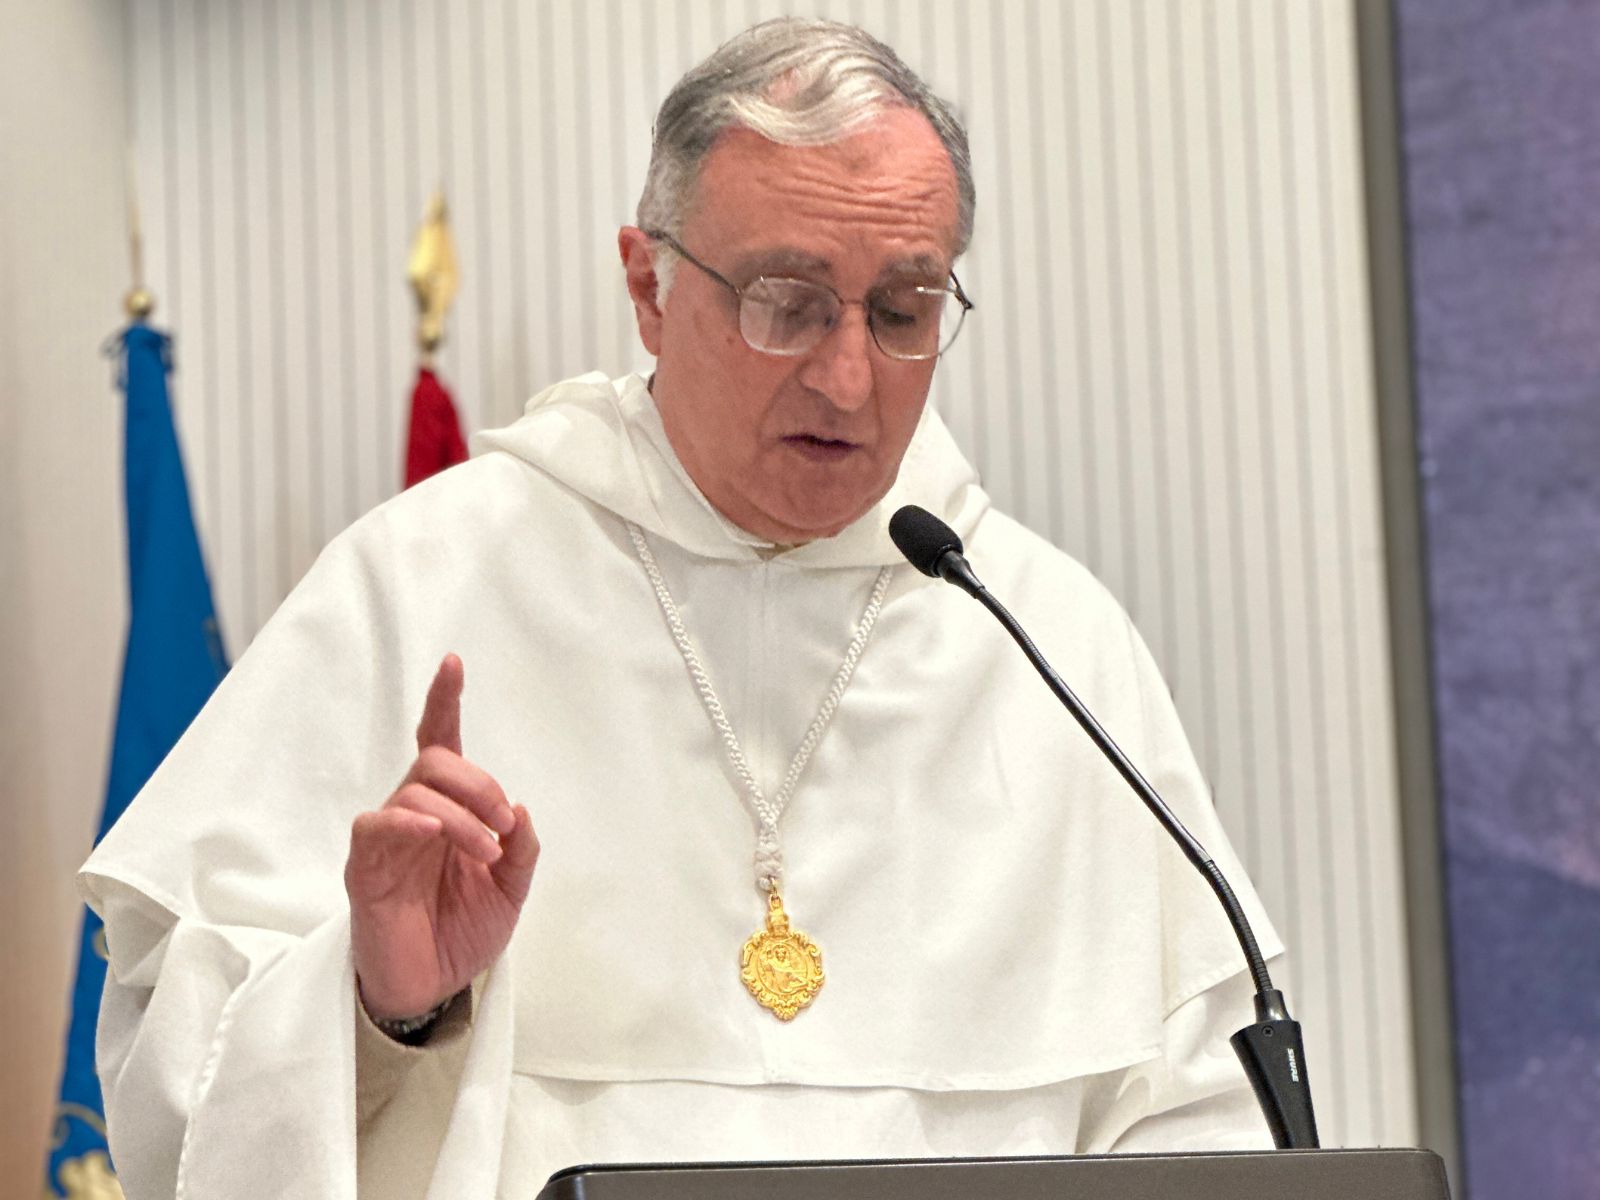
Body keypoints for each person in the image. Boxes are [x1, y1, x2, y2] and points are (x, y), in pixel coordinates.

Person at [81, 18, 1281, 1199]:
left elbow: (1203, 1109)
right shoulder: (426, 582)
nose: (847, 378)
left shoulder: (1046, 637)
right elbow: (167, 1067)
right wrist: (376, 1004)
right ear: (648, 287)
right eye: (786, 301)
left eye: (903, 310)